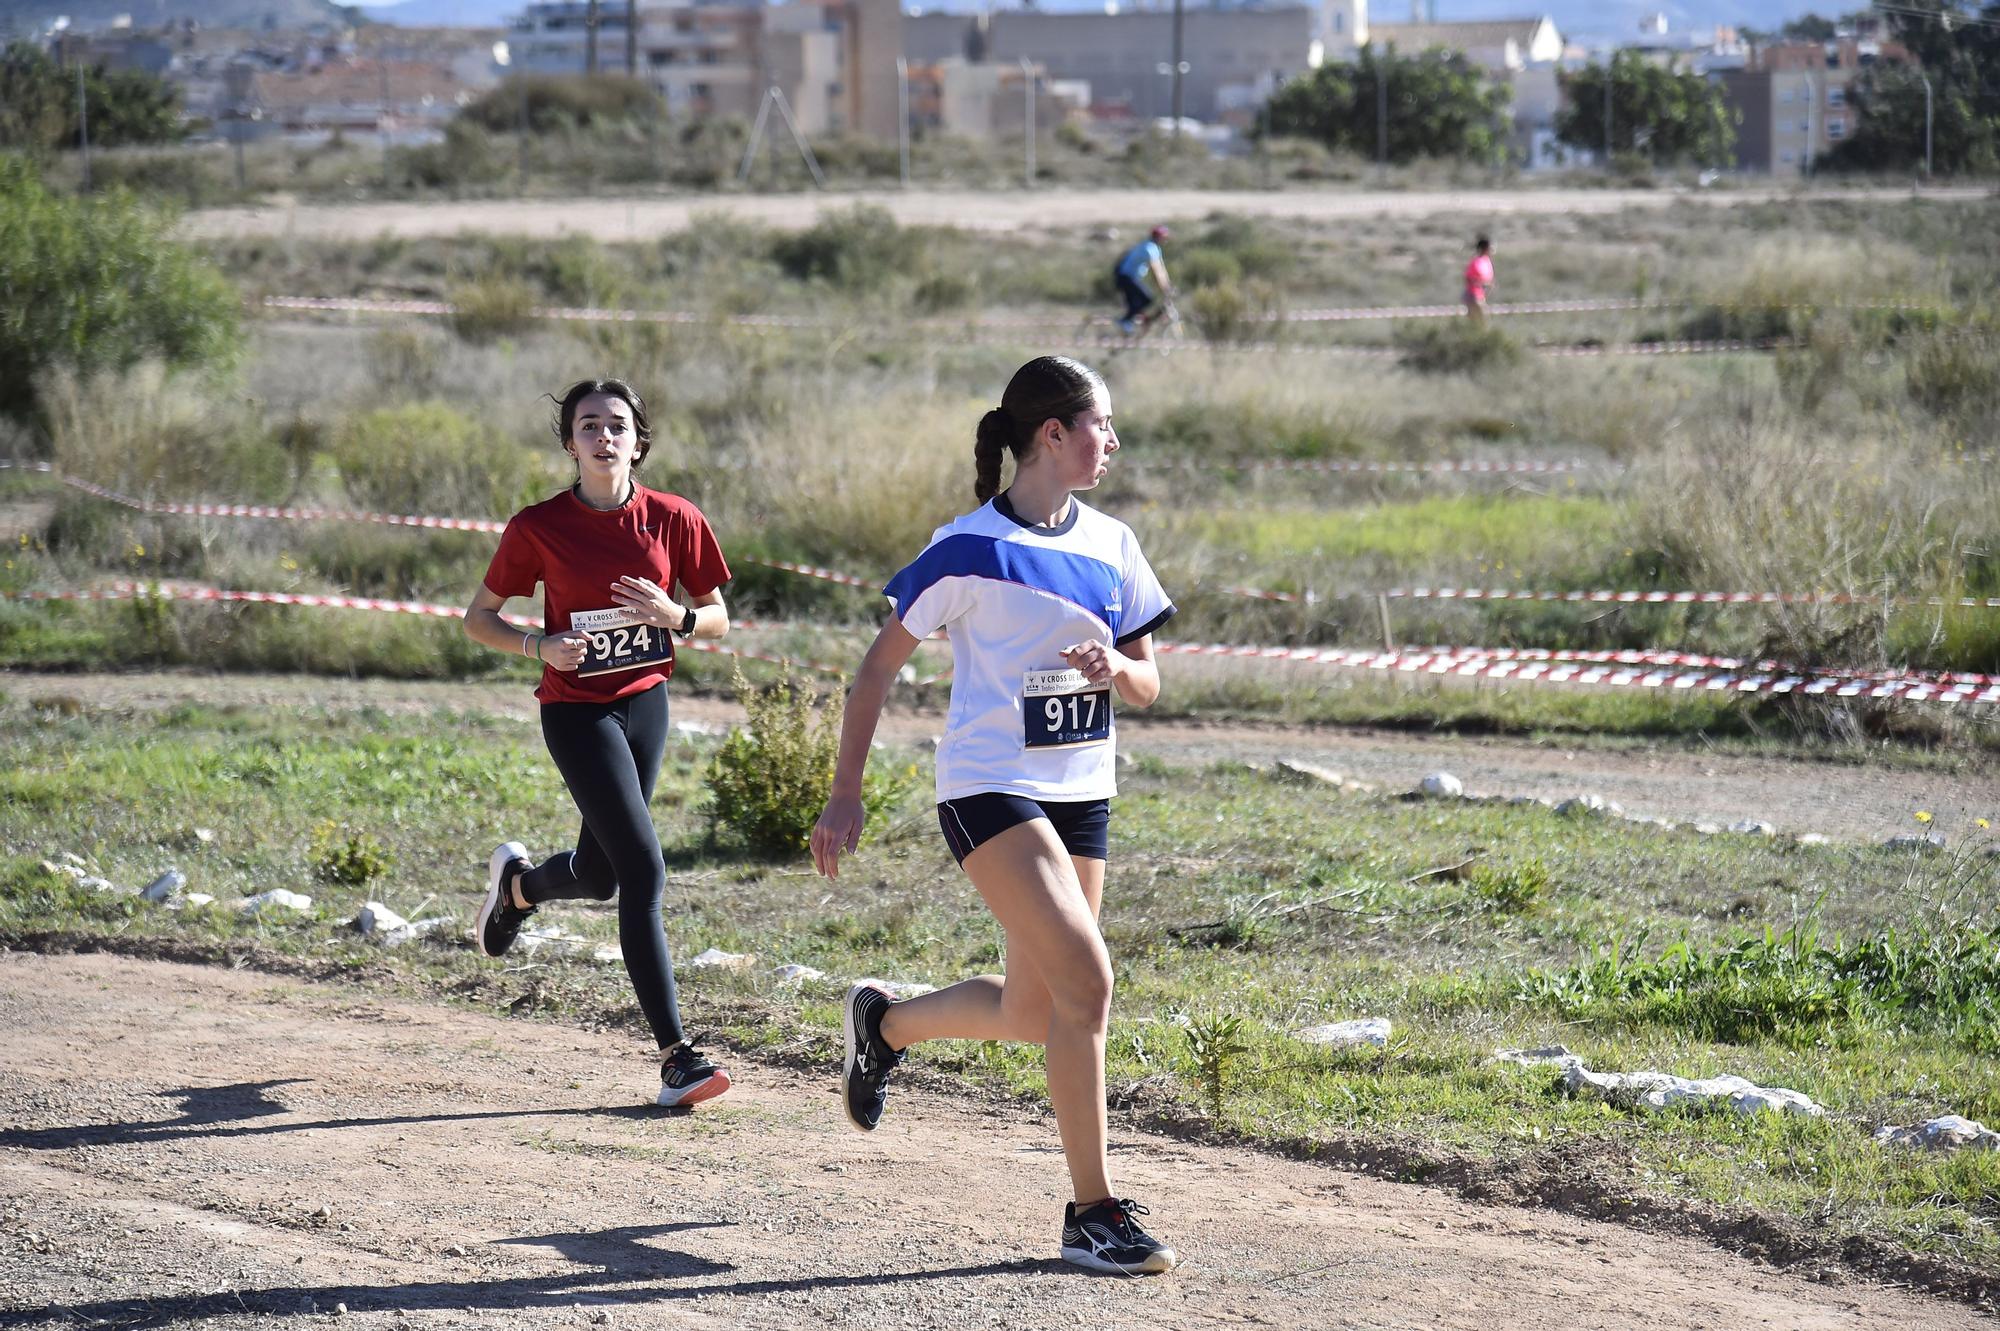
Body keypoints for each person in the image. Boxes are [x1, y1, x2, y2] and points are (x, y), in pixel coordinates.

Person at [809, 355, 1180, 1276]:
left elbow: (1149, 680)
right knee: (1089, 986)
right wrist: (845, 790)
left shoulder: (1114, 544)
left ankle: (883, 1025)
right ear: (1051, 433)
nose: (1113, 441)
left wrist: (1114, 672)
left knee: (1032, 1009)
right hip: (987, 786)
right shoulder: (965, 546)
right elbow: (876, 668)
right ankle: (1091, 1211)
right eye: (1101, 424)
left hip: (1081, 790)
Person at [463, 377, 734, 1109]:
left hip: (645, 702)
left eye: (617, 424)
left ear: (638, 439)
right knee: (643, 870)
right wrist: (536, 645)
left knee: (602, 871)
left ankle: (517, 887)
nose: (604, 436)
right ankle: (677, 1057)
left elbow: (718, 618)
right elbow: (478, 617)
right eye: (589, 425)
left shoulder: (675, 518)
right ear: (569, 442)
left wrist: (674, 614)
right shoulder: (537, 526)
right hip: (577, 711)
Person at [1112, 225, 1174, 335]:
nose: (1166, 240)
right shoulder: (1149, 248)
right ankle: (1125, 322)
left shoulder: (1153, 248)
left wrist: (1167, 284)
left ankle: (1126, 333)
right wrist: (1165, 288)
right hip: (1125, 277)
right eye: (1164, 238)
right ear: (1159, 238)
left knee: (1136, 305)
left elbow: (1161, 269)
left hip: (1129, 277)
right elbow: (1157, 271)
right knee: (1147, 299)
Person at [1463, 234, 1495, 323]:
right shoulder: (1476, 262)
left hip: (1481, 296)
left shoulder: (1487, 261)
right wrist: (1482, 284)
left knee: (1478, 322)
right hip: (1473, 296)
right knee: (1482, 321)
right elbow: (1468, 278)